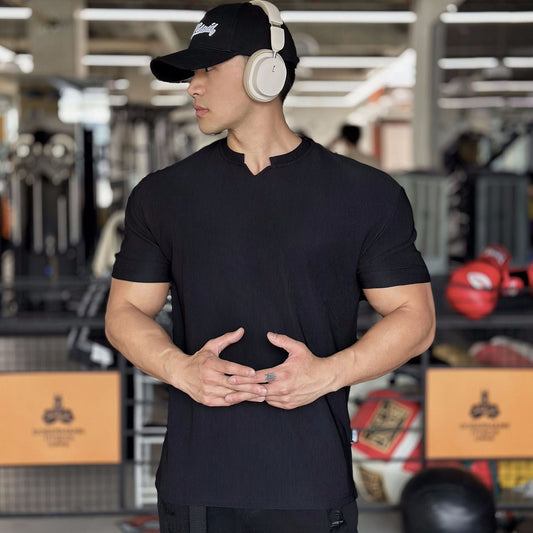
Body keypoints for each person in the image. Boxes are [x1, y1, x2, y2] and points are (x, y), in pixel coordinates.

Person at [105, 2, 436, 532]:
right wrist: (179, 368)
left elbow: (414, 318)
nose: (193, 87)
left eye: (208, 69)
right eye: (191, 74)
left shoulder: (366, 195)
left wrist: (328, 374)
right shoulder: (162, 196)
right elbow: (123, 311)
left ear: (268, 71)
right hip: (197, 484)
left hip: (311, 482)